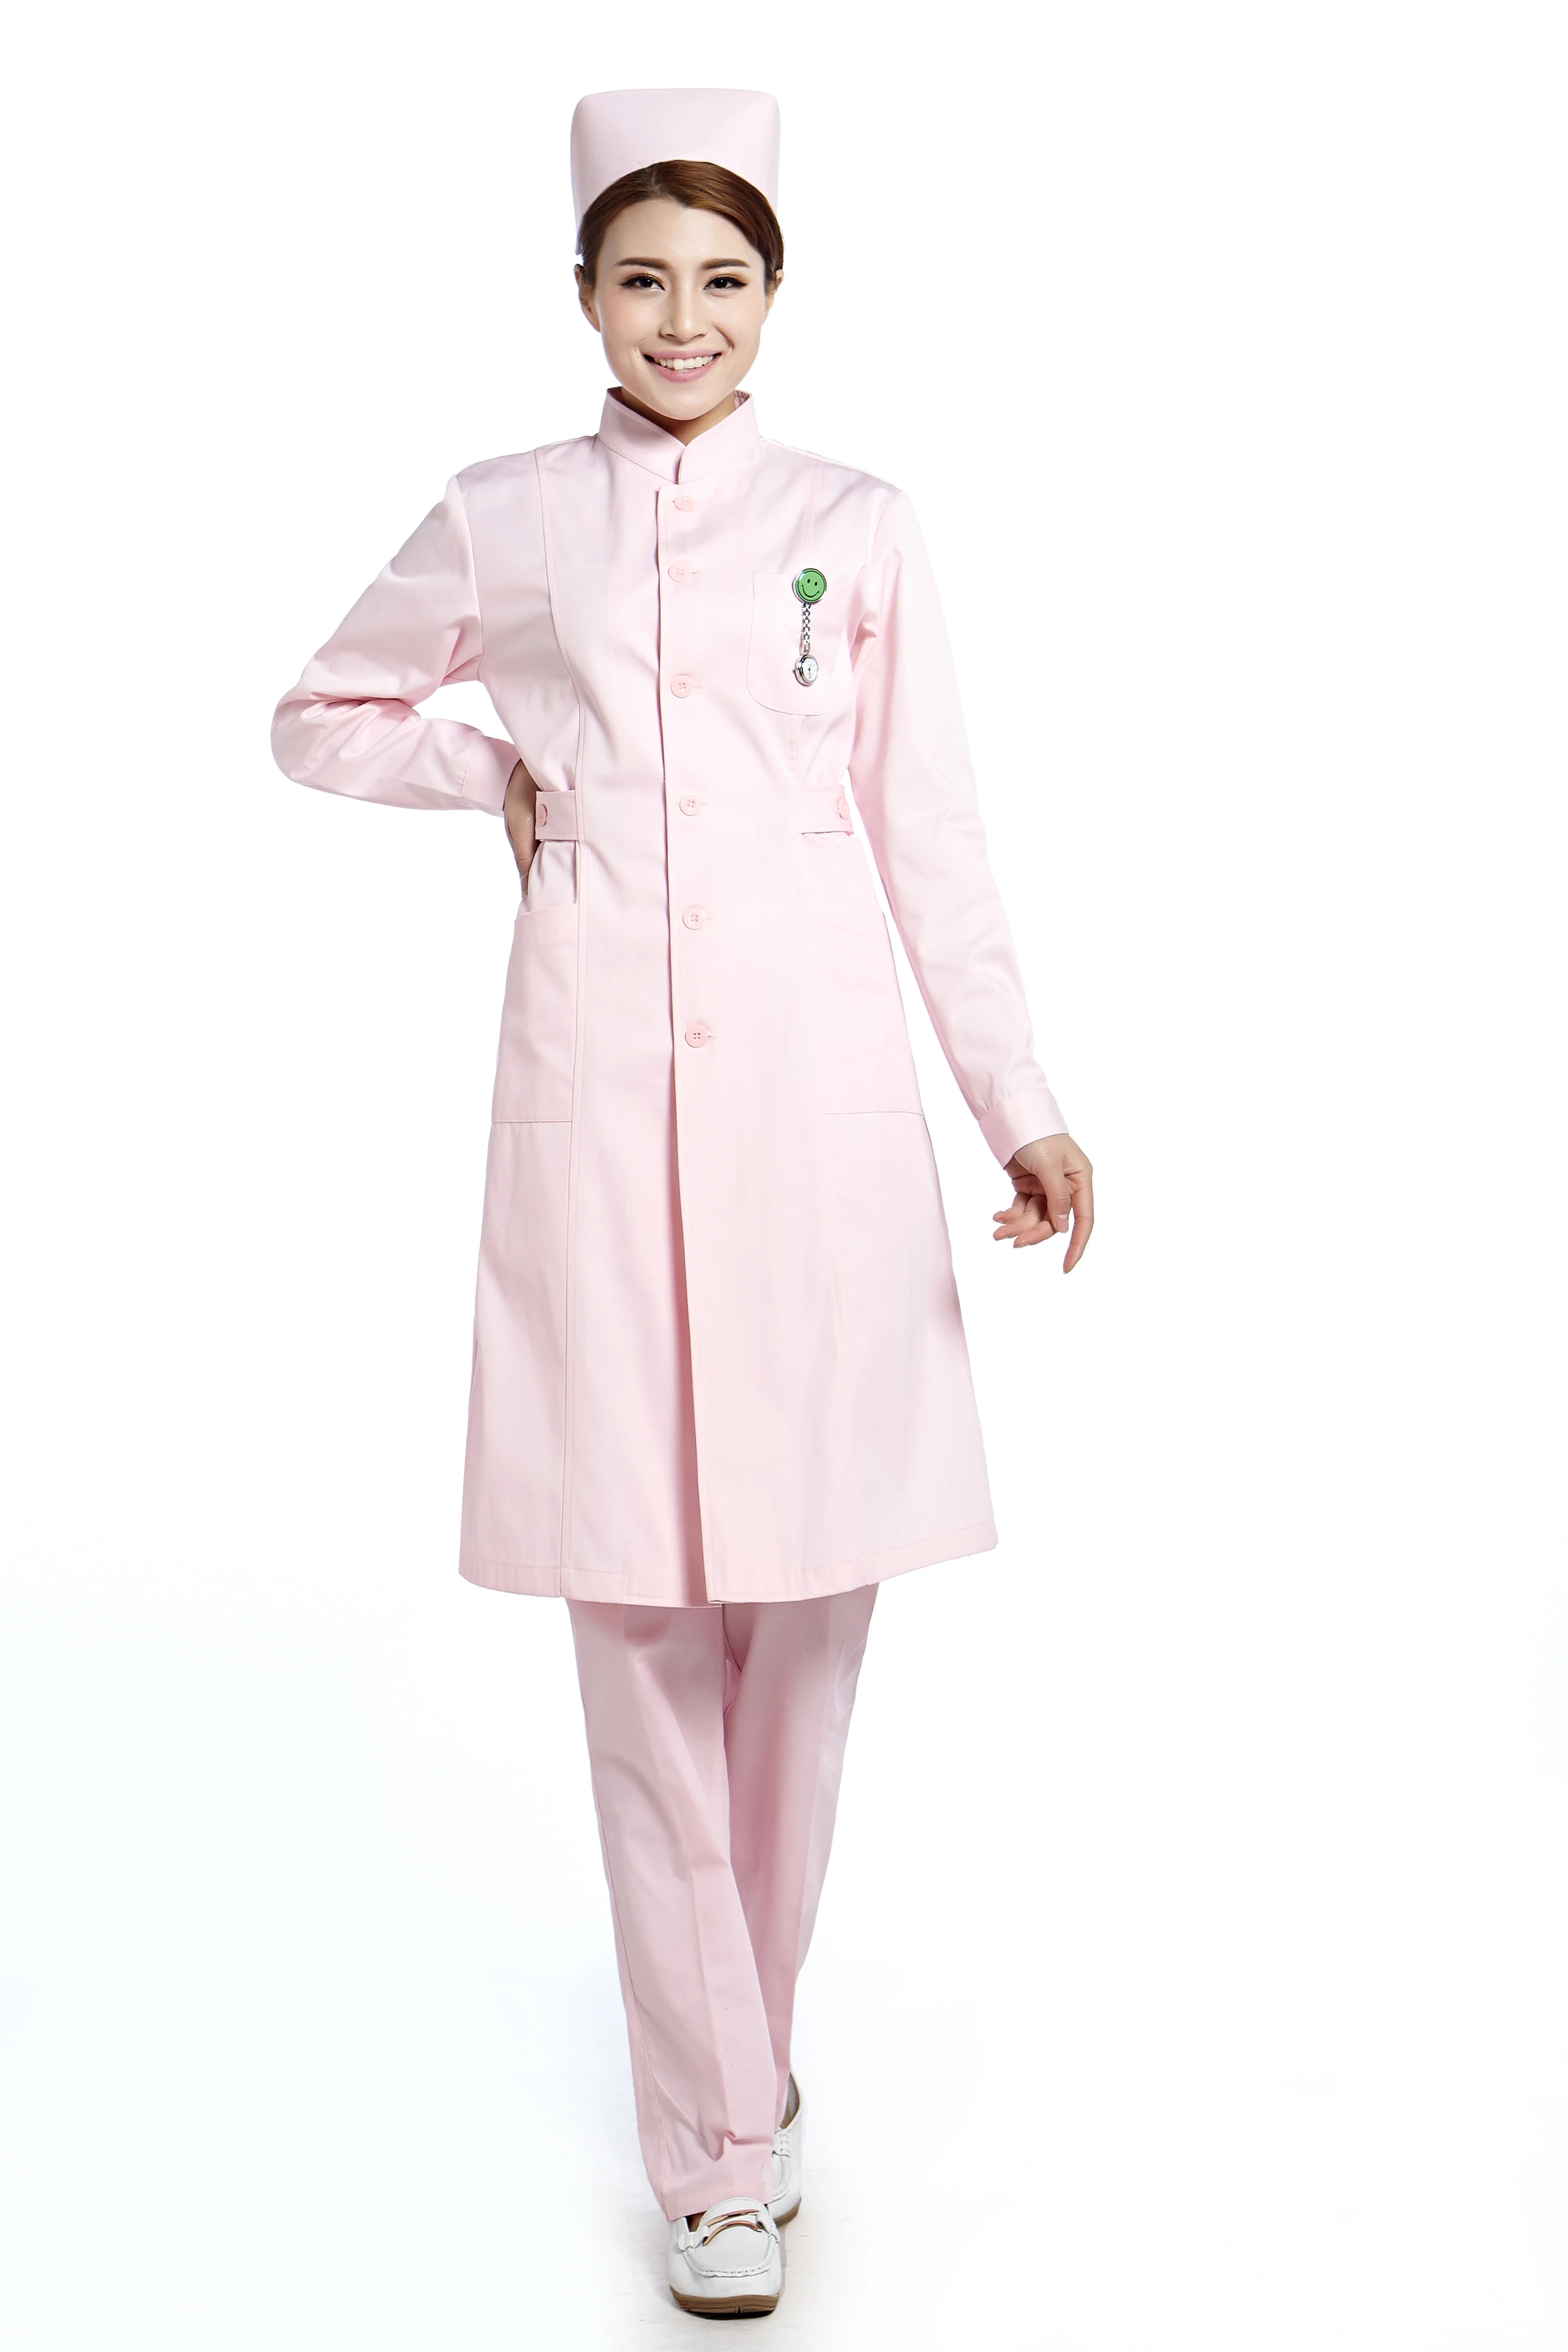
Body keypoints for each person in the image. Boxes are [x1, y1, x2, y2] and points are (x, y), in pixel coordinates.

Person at [272, 85, 1094, 2318]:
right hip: (594, 1126)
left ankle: (737, 2065)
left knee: (806, 1644)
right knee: (637, 1637)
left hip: (818, 1134)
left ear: (773, 294)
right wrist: (485, 762)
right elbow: (321, 709)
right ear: (581, 295)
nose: (682, 317)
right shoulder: (506, 513)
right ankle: (722, 2146)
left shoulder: (858, 525)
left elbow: (935, 840)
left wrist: (1017, 1103)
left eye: (722, 278)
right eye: (641, 277)